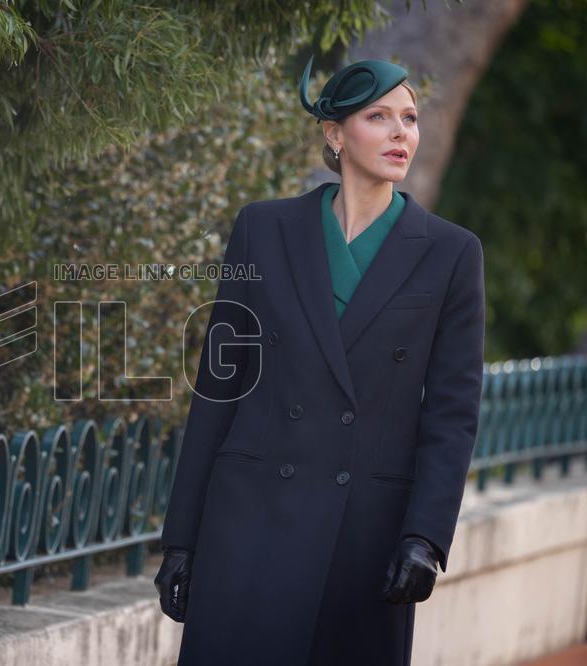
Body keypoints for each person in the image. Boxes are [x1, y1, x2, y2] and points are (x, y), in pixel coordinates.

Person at [153, 55, 486, 666]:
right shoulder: (262, 228)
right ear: (334, 134)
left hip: (364, 533)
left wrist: (425, 537)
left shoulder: (451, 253)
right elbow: (217, 388)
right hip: (248, 521)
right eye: (378, 116)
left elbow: (453, 415)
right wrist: (182, 538)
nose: (400, 133)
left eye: (409, 119)